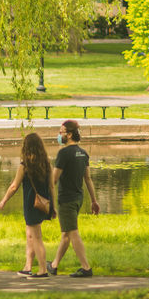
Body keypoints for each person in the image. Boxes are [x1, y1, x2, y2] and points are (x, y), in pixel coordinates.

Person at [0, 131, 55, 278]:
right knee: (31, 235)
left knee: (36, 237)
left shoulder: (25, 165)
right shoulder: (47, 164)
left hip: (31, 204)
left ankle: (42, 270)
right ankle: (28, 266)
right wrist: (53, 207)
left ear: (26, 147)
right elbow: (52, 187)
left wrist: (4, 200)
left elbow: (14, 186)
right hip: (43, 204)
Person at [47, 119, 100, 277]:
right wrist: (94, 201)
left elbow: (54, 180)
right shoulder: (83, 153)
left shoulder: (64, 153)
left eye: (61, 132)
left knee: (72, 232)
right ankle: (54, 265)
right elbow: (88, 179)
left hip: (67, 200)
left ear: (69, 135)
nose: (59, 135)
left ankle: (86, 268)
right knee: (66, 233)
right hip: (78, 198)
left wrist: (49, 202)